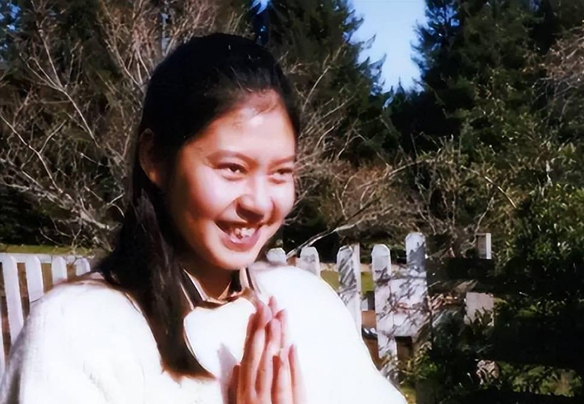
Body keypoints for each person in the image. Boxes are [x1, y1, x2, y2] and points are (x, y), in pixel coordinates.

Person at [0, 34, 407, 404]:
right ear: (154, 158)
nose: (259, 203)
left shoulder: (308, 303)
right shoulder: (76, 332)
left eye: (281, 172)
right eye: (232, 168)